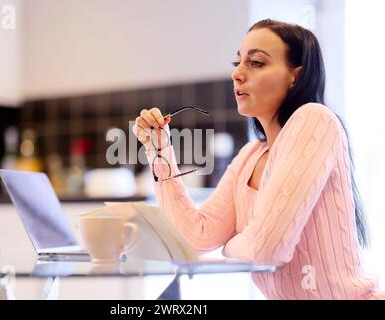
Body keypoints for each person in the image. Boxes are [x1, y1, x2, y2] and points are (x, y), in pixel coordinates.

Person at [132, 19, 384, 300]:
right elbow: (195, 236)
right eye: (237, 62)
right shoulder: (250, 156)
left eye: (256, 63)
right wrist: (159, 150)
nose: (237, 74)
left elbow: (267, 250)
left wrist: (230, 246)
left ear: (295, 77)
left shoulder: (315, 119)